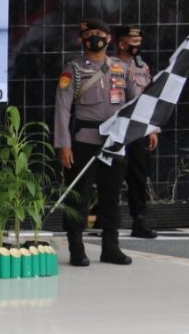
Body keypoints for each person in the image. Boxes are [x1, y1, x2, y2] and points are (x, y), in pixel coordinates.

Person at [54, 18, 139, 267]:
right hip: (84, 141)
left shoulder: (121, 69)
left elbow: (135, 103)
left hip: (113, 143)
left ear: (109, 38)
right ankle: (77, 249)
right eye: (89, 34)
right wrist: (63, 144)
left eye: (99, 33)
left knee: (111, 196)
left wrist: (147, 129)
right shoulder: (74, 70)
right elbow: (62, 109)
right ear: (82, 39)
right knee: (78, 197)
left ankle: (111, 248)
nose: (95, 37)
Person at [115, 25, 159, 238]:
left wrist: (152, 129)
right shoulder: (108, 66)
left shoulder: (143, 67)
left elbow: (150, 99)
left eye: (139, 43)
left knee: (139, 175)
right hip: (115, 129)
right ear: (121, 44)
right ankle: (106, 217)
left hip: (138, 129)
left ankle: (139, 219)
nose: (137, 47)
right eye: (133, 44)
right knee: (112, 175)